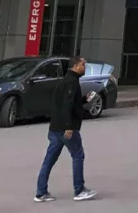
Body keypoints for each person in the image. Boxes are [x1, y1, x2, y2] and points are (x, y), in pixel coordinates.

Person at [34, 56, 98, 203]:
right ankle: (79, 190)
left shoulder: (65, 81)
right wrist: (69, 126)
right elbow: (66, 106)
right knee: (78, 155)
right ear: (75, 66)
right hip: (66, 128)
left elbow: (66, 103)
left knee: (49, 159)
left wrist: (84, 100)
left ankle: (41, 192)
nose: (85, 67)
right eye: (83, 65)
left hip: (55, 127)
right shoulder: (71, 82)